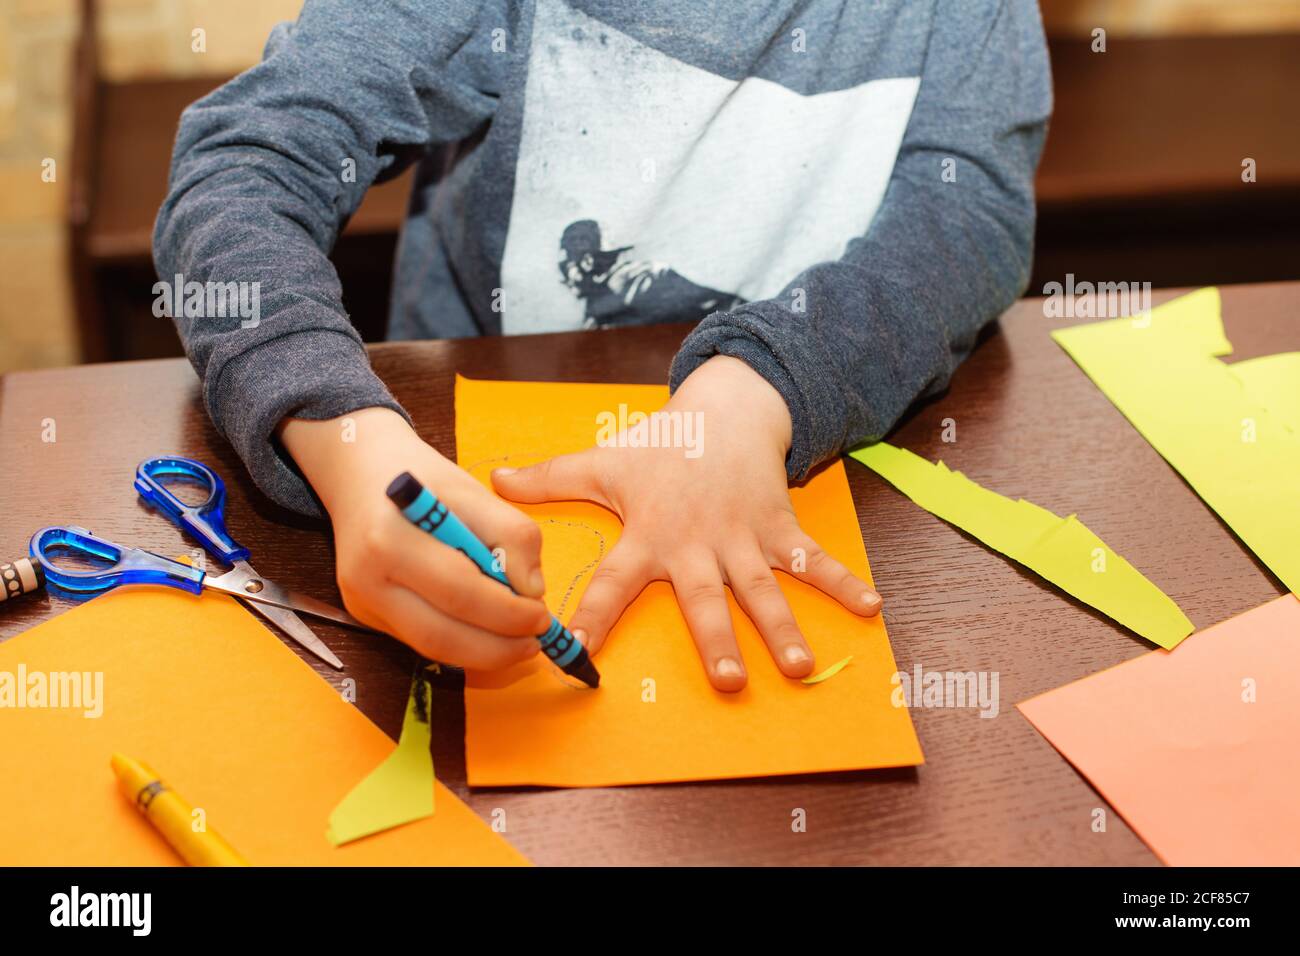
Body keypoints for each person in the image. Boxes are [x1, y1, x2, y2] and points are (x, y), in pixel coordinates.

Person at [154, 0, 1051, 691]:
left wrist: (760, 388)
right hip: (479, 465)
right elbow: (241, 170)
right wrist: (339, 432)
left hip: (812, 465)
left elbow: (969, 207)